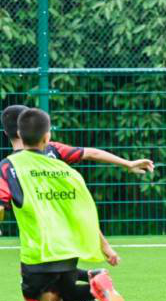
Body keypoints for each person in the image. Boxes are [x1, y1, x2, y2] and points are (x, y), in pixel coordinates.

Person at [1, 104, 154, 301]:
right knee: (64, 292)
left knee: (38, 294)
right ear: (46, 136)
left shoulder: (8, 167)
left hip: (38, 252)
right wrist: (128, 164)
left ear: (9, 132)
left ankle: (93, 282)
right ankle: (95, 283)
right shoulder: (56, 157)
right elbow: (90, 158)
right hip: (69, 250)